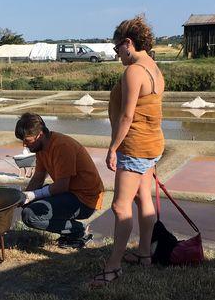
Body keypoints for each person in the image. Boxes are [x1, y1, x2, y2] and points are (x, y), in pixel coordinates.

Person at [90, 15, 165, 286]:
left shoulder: (133, 71)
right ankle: (145, 254)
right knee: (143, 199)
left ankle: (113, 267)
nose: (116, 54)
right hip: (152, 144)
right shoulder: (153, 67)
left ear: (128, 43)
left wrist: (113, 148)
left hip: (134, 147)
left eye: (116, 48)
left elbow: (126, 116)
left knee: (120, 207)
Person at [15, 113, 105, 248]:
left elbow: (62, 186)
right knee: (28, 205)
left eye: (27, 140)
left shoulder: (62, 146)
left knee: (30, 215)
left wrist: (33, 195)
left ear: (39, 135)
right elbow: (39, 176)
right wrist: (24, 197)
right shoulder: (41, 147)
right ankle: (69, 230)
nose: (24, 145)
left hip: (85, 199)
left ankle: (77, 231)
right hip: (71, 192)